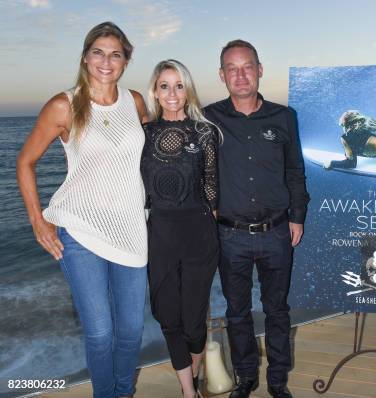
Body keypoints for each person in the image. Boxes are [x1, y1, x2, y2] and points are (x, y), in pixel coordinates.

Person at [16, 22, 148, 398]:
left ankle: (124, 391)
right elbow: (25, 161)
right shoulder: (64, 105)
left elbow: (151, 156)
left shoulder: (135, 101)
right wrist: (36, 220)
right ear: (85, 56)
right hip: (80, 229)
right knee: (100, 331)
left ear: (125, 61)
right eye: (98, 52)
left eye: (115, 54)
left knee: (131, 331)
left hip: (131, 229)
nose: (106, 61)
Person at [204, 39, 310, 398]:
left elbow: (295, 171)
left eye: (247, 66)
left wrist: (298, 217)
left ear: (260, 70)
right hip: (229, 236)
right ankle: (246, 377)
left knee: (277, 310)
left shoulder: (284, 117)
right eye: (232, 68)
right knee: (237, 313)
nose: (240, 74)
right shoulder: (207, 118)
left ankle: (278, 380)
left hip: (277, 232)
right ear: (222, 75)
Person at [140, 59, 221, 398]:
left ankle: (196, 378)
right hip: (159, 234)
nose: (172, 93)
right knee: (167, 317)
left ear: (187, 89)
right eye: (164, 86)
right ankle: (189, 391)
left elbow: (212, 189)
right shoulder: (143, 133)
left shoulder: (204, 132)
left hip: (198, 234)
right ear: (155, 92)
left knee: (192, 322)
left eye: (178, 85)